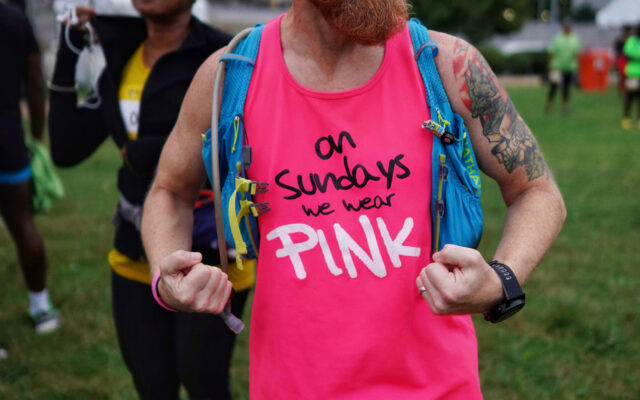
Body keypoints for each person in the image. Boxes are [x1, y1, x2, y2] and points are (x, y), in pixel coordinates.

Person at [141, 0, 566, 398]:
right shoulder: (231, 74)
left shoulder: (446, 64)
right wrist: (168, 278)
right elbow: (170, 191)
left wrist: (501, 281)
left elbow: (537, 190)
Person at [48, 1, 253, 399]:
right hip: (134, 253)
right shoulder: (121, 54)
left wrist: (148, 153)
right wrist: (67, 50)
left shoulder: (224, 57)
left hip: (211, 257)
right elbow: (66, 148)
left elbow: (244, 147)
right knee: (152, 383)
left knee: (203, 381)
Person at [0, 1, 58, 334]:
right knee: (23, 224)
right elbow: (35, 82)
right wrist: (36, 137)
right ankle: (42, 309)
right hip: (8, 139)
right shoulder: (14, 18)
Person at [545, 18, 581, 115]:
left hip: (569, 67)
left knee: (566, 89)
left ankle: (565, 106)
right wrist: (549, 65)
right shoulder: (557, 38)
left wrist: (579, 67)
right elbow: (551, 52)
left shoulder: (574, 38)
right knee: (553, 87)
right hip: (557, 67)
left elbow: (577, 53)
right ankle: (549, 105)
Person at [622, 25, 640, 130]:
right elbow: (627, 52)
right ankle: (626, 117)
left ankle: (638, 119)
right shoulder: (632, 40)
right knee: (630, 96)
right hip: (632, 73)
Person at [614, 25, 632, 96]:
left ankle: (627, 90)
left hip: (627, 60)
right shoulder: (621, 40)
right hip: (622, 60)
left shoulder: (631, 40)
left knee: (626, 77)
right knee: (623, 76)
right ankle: (623, 90)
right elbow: (617, 51)